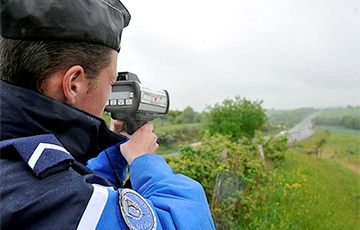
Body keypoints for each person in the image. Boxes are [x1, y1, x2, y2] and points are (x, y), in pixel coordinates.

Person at [0, 1, 215, 229]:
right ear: (74, 84)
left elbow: (80, 187)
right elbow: (188, 220)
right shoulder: (58, 201)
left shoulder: (19, 163)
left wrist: (114, 152)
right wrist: (144, 159)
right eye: (111, 83)